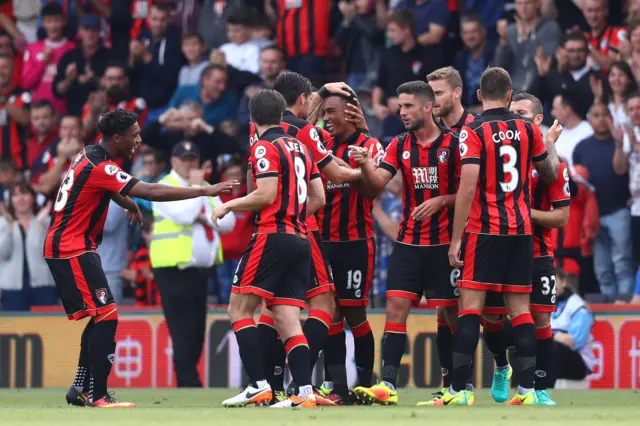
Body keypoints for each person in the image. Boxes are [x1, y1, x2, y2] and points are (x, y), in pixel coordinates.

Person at [43, 108, 237, 408]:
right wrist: (204, 189)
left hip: (71, 245)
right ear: (117, 138)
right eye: (134, 135)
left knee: (100, 316)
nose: (139, 139)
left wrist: (127, 201)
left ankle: (81, 386)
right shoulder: (102, 166)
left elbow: (104, 188)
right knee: (107, 315)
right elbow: (152, 189)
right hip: (71, 247)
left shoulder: (89, 154)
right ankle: (98, 395)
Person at [444, 67, 559, 406]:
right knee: (520, 310)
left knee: (471, 308)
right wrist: (548, 144)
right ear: (510, 95)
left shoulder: (474, 129)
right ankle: (526, 391)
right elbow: (548, 172)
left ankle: (459, 391)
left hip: (485, 230)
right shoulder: (527, 129)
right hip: (521, 231)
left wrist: (455, 239)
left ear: (479, 95)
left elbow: (467, 187)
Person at [250, 75, 364, 404]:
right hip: (301, 228)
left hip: (266, 225)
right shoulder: (301, 130)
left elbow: (251, 178)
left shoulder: (259, 130)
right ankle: (301, 382)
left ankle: (265, 383)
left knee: (273, 308)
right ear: (301, 99)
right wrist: (372, 170)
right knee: (324, 304)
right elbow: (335, 174)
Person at [348, 81, 461, 406]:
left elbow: (472, 192)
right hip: (409, 244)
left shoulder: (453, 145)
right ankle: (387, 384)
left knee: (452, 316)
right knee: (396, 308)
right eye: (400, 107)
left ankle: (456, 386)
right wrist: (365, 163)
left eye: (408, 106)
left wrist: (441, 200)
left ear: (427, 107)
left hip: (444, 246)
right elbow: (377, 185)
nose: (402, 112)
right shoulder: (399, 144)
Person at [214, 89, 327, 409]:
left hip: (271, 237)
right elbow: (319, 198)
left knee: (238, 310)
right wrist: (292, 213)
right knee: (287, 317)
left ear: (252, 119)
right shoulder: (302, 148)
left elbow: (265, 194)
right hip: (302, 239)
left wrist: (229, 205)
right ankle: (304, 392)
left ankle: (259, 385)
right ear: (281, 116)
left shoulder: (264, 146)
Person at [481, 92, 570, 406]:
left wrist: (521, 211)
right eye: (511, 111)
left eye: (520, 112)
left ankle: (538, 388)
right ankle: (502, 366)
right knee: (490, 319)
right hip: (497, 248)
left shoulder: (553, 164)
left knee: (539, 320)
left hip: (537, 252)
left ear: (536, 120)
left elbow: (562, 216)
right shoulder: (494, 154)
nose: (513, 117)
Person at [315, 89, 384, 404]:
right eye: (324, 112)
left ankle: (365, 384)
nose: (327, 118)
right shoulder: (323, 147)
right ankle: (336, 386)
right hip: (324, 242)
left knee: (354, 312)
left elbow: (372, 192)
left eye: (332, 111)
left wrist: (363, 167)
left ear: (351, 112)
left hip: (355, 242)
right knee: (330, 313)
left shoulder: (370, 146)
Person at [150, 140, 236, 388]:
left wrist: (202, 209)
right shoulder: (164, 186)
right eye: (184, 159)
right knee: (183, 328)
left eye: (193, 159)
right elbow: (184, 215)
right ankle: (188, 381)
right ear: (174, 161)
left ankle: (188, 378)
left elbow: (228, 223)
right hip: (173, 269)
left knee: (198, 329)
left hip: (200, 271)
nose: (189, 164)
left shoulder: (207, 186)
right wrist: (199, 194)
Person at [425, 66, 475, 396]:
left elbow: (478, 187)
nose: (433, 101)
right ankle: (455, 384)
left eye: (438, 93)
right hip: (444, 233)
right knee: (445, 308)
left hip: (479, 232)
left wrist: (444, 199)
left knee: (488, 315)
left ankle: (498, 366)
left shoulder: (475, 128)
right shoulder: (435, 134)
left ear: (457, 93)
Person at [574, 103, 633, 298]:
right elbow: (578, 185)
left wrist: (618, 143)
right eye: (596, 115)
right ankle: (608, 309)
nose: (600, 119)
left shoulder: (622, 142)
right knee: (602, 267)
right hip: (593, 216)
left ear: (611, 118)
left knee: (622, 262)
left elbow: (627, 171)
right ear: (589, 120)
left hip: (619, 211)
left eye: (604, 115)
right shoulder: (581, 147)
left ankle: (624, 306)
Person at [0, 183, 56, 310]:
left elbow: (48, 253)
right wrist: (9, 227)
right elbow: (3, 253)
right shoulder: (2, 223)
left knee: (47, 327)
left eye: (24, 193)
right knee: (16, 327)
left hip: (44, 285)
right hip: (12, 287)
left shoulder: (46, 221)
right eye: (15, 195)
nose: (21, 199)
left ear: (33, 197)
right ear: (10, 200)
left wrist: (39, 225)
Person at [53, 14, 113, 116]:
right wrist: (69, 80)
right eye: (86, 29)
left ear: (99, 32)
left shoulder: (109, 57)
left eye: (94, 30)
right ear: (80, 31)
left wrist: (95, 80)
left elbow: (118, 87)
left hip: (102, 115)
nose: (90, 34)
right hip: (74, 114)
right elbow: (57, 91)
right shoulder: (69, 57)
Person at [21, 3, 75, 114]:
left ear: (64, 21)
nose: (53, 25)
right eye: (49, 21)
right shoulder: (33, 49)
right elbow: (26, 83)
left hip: (65, 111)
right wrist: (43, 63)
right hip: (39, 113)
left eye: (57, 21)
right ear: (43, 23)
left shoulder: (73, 48)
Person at [550, 267, 596, 385]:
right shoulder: (543, 305)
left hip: (578, 362)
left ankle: (546, 391)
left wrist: (550, 336)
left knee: (551, 346)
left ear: (564, 282)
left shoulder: (577, 306)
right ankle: (519, 392)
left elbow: (574, 341)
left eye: (553, 280)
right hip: (554, 357)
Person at [0, 53, 31, 170]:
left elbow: (26, 119)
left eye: (4, 67)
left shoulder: (23, 95)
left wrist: (3, 99)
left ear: (13, 70)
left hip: (17, 164)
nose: (1, 71)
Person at [427, 67, 476, 133]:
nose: (432, 99)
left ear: (457, 93)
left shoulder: (479, 126)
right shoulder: (430, 134)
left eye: (438, 93)